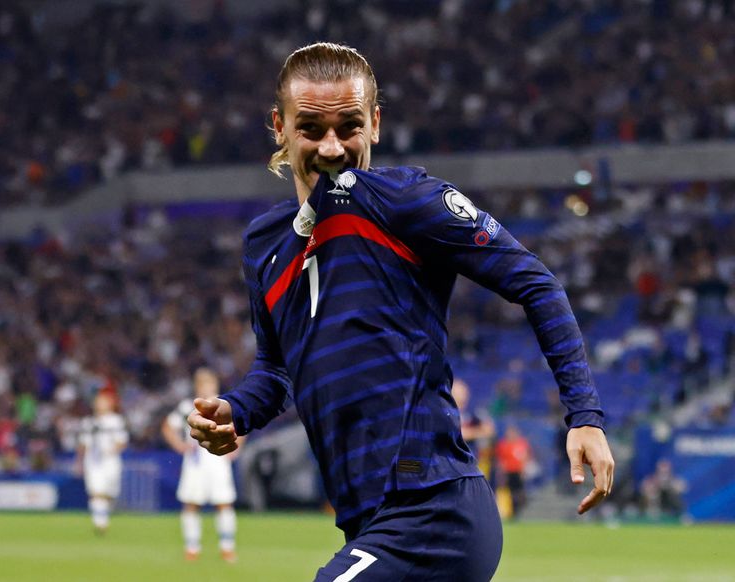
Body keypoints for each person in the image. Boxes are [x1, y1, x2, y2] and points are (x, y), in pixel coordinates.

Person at [188, 42, 615, 581]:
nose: (333, 146)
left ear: (376, 123)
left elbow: (536, 282)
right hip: (367, 523)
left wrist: (585, 417)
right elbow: (276, 371)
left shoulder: (404, 200)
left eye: (350, 126)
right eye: (311, 128)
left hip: (433, 511)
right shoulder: (264, 245)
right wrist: (235, 410)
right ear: (278, 126)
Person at [162, 367, 238, 562]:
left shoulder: (225, 405)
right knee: (191, 503)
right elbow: (168, 427)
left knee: (223, 503)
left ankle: (227, 547)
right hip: (195, 463)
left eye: (209, 383)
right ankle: (192, 547)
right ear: (197, 387)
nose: (206, 388)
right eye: (202, 384)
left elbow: (241, 425)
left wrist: (237, 447)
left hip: (219, 460)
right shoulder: (188, 406)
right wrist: (179, 445)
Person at [76, 391, 128, 534]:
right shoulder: (88, 422)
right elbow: (83, 444)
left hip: (110, 460)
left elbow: (122, 441)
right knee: (96, 491)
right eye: (98, 401)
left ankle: (102, 515)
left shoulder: (116, 421)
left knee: (109, 494)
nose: (99, 405)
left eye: (103, 401)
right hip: (93, 461)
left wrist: (110, 450)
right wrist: (79, 462)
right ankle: (100, 523)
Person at [494, 424, 532, 518]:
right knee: (509, 493)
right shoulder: (503, 444)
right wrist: (501, 473)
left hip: (518, 472)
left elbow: (525, 457)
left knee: (519, 491)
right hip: (508, 472)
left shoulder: (521, 443)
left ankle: (520, 508)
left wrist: (524, 470)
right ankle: (512, 512)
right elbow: (500, 460)